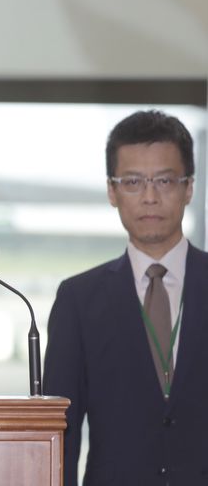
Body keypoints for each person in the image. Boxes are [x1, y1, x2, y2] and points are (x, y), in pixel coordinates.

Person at [43, 110, 208, 485]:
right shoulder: (78, 300)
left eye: (164, 180)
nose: (150, 197)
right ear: (112, 191)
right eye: (133, 182)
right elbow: (60, 431)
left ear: (189, 187)